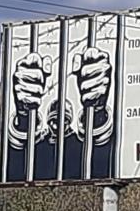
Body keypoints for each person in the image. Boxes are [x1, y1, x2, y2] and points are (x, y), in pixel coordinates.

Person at [6, 47, 113, 181]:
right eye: (54, 121)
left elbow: (101, 165)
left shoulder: (78, 145)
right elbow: (15, 170)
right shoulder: (39, 145)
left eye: (63, 121)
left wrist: (97, 113)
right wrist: (24, 117)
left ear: (69, 121)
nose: (57, 125)